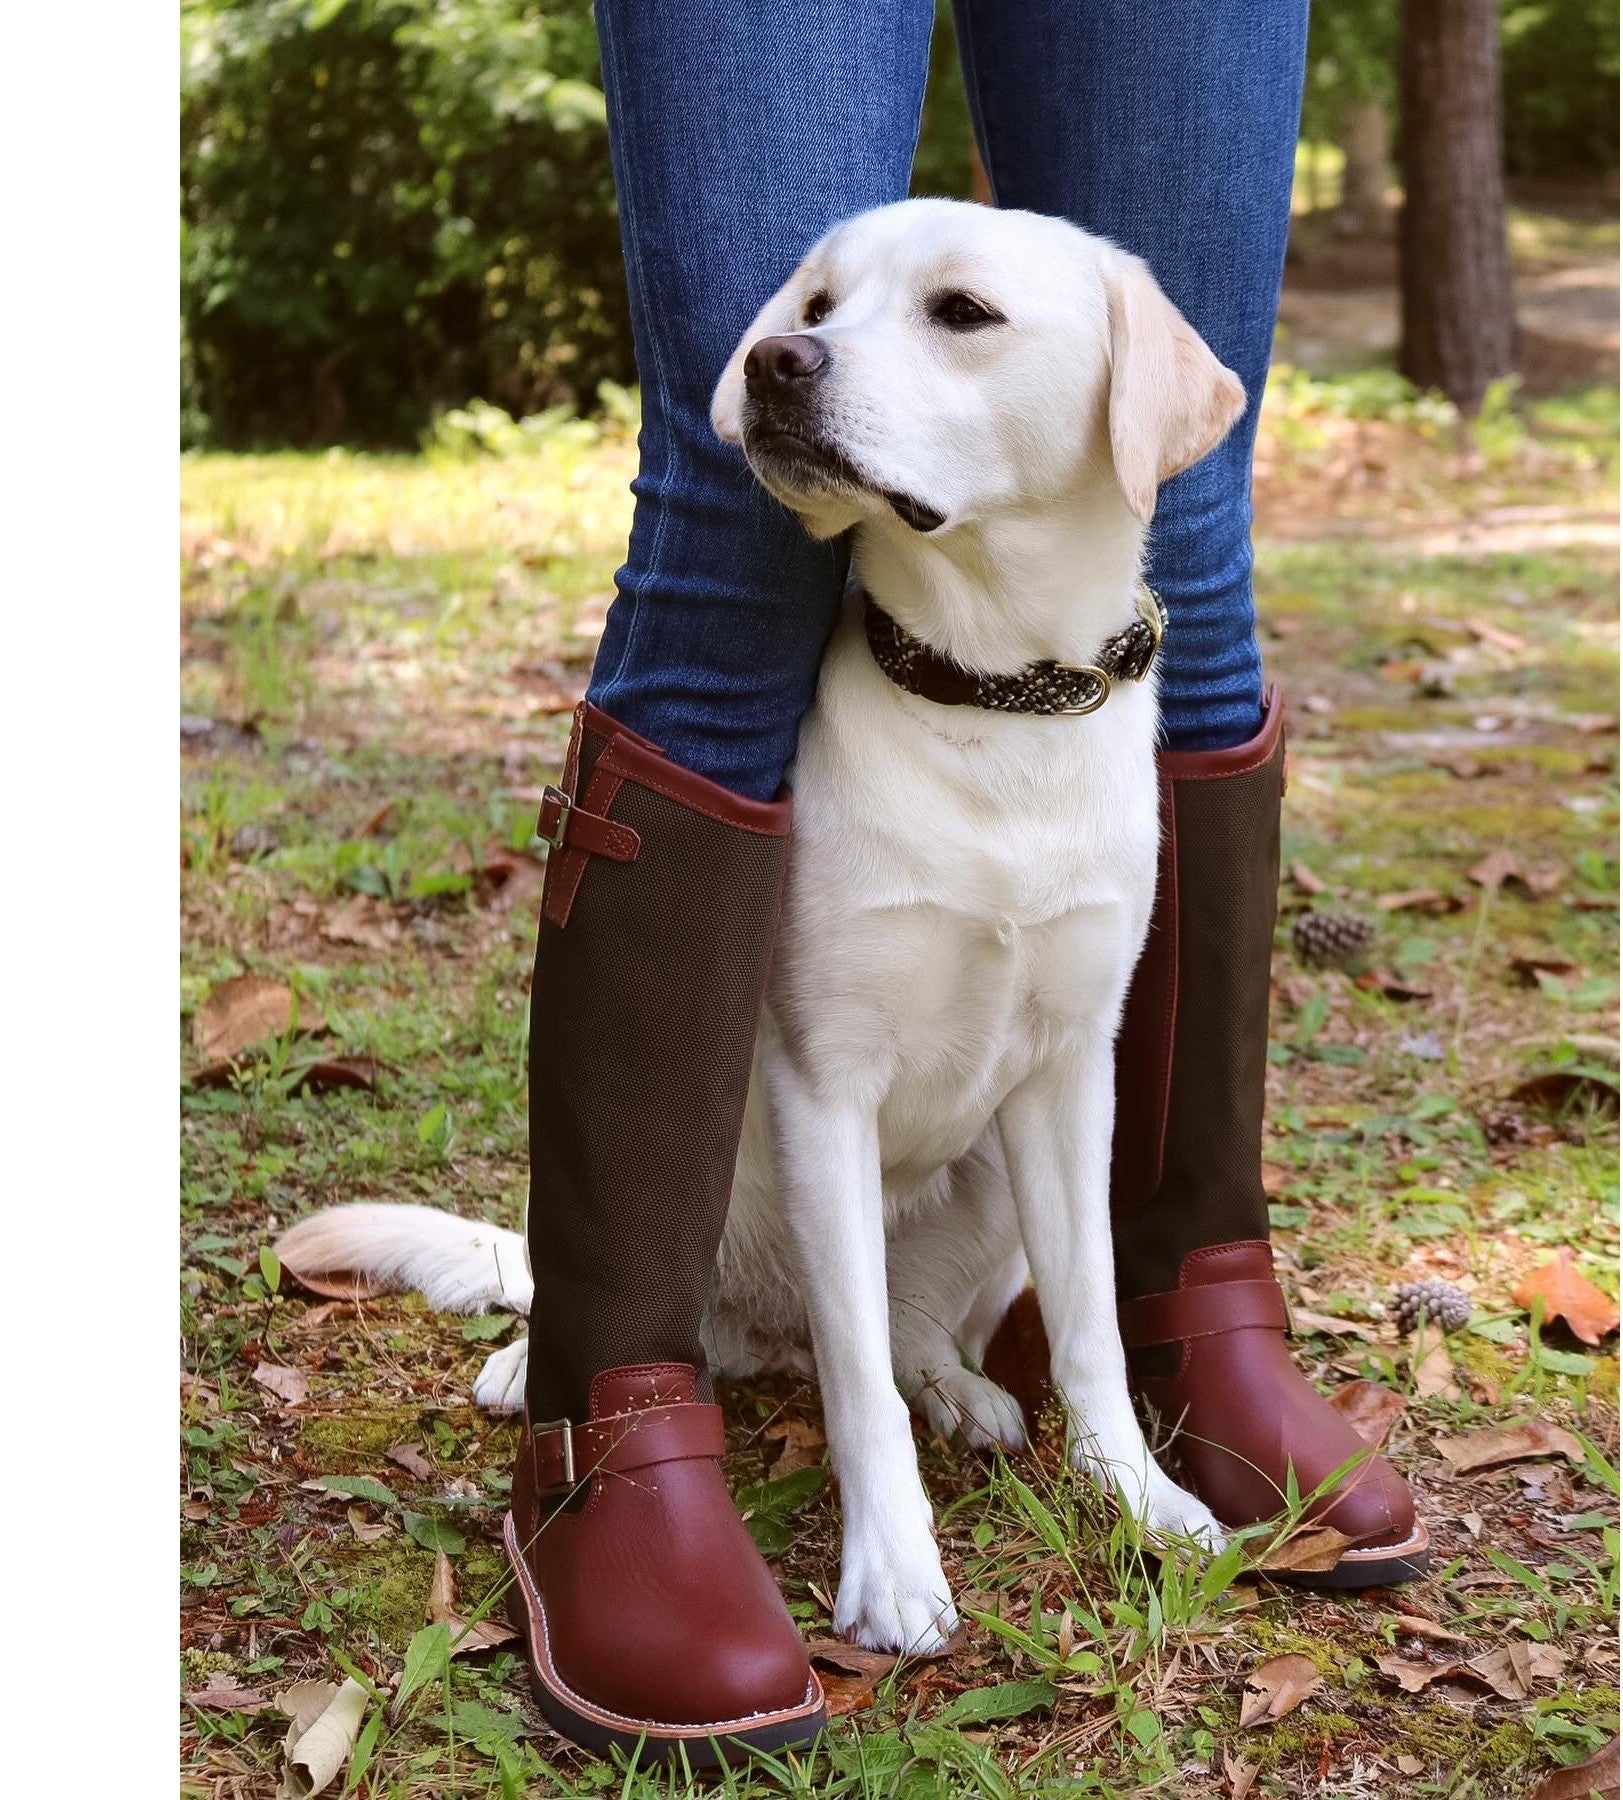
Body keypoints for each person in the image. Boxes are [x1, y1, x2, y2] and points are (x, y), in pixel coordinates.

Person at [507, 0, 1424, 1764]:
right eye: (827, 315)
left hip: (1071, 759)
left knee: (1197, 529)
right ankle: (610, 1396)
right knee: (724, 522)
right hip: (871, 824)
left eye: (947, 318)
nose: (815, 348)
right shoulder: (806, 396)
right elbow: (770, 391)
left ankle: (1174, 1316)